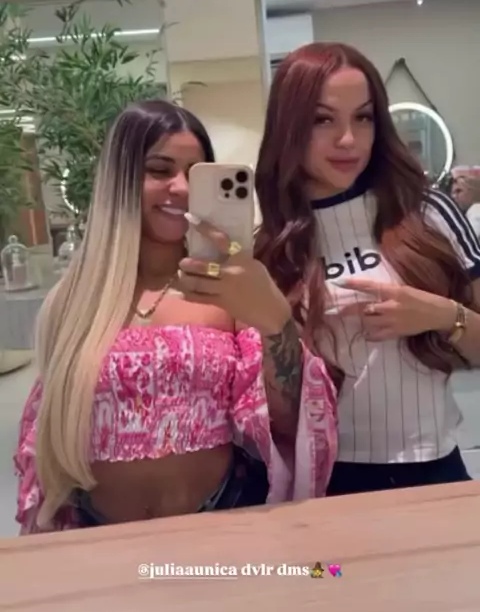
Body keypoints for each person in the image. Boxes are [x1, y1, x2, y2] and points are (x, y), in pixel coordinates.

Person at [14, 100, 337, 533]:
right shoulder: (74, 302)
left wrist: (276, 322)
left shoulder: (230, 290)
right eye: (159, 170)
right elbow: (47, 446)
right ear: (120, 179)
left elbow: (287, 421)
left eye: (194, 173)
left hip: (220, 526)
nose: (181, 188)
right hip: (99, 538)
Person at [255, 43, 480, 496]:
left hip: (437, 469)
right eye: (323, 120)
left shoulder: (427, 212)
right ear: (289, 127)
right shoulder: (272, 249)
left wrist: (440, 315)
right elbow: (275, 408)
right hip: (330, 482)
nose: (348, 140)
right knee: (329, 560)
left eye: (363, 117)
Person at [452, 173, 480, 239]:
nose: (453, 196)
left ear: (474, 192)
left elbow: (464, 239)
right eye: (453, 193)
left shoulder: (476, 210)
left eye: (458, 191)